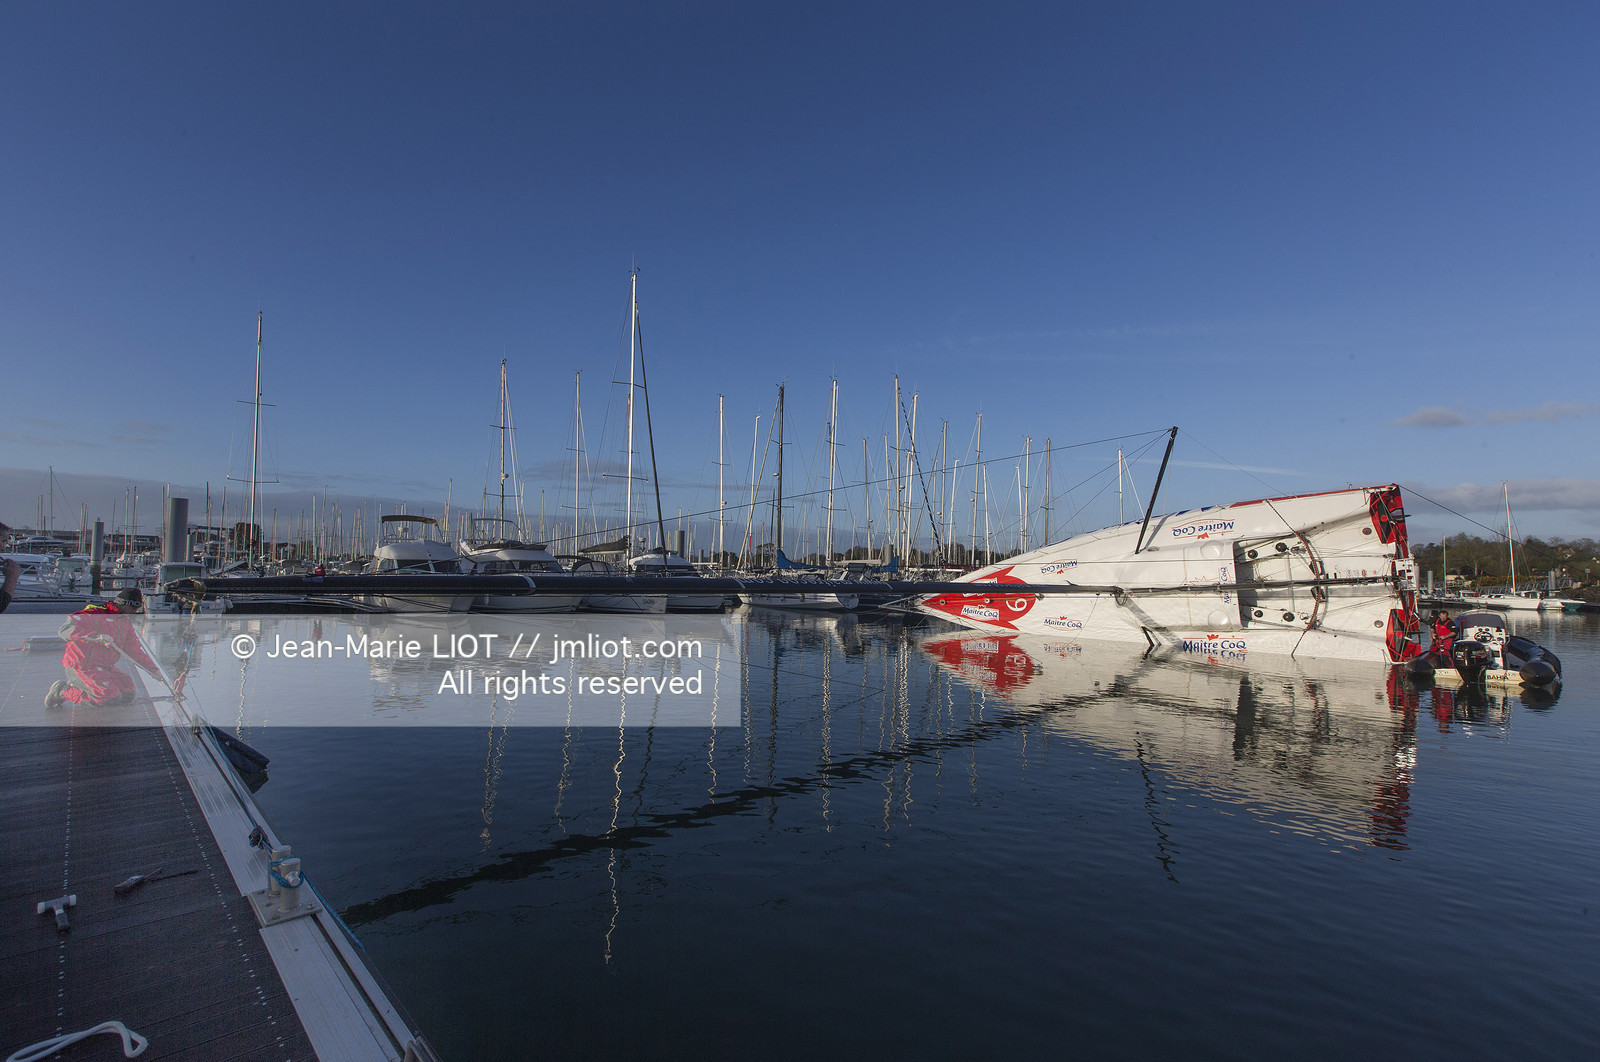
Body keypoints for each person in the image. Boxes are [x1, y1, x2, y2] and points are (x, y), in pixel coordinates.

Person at [45, 588, 163, 708]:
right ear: (124, 604)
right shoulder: (94, 614)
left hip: (105, 667)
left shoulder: (124, 622)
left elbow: (135, 650)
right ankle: (62, 691)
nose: (135, 612)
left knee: (127, 692)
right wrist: (95, 636)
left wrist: (153, 669)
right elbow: (64, 630)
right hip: (83, 665)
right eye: (134, 608)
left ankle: (98, 689)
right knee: (108, 699)